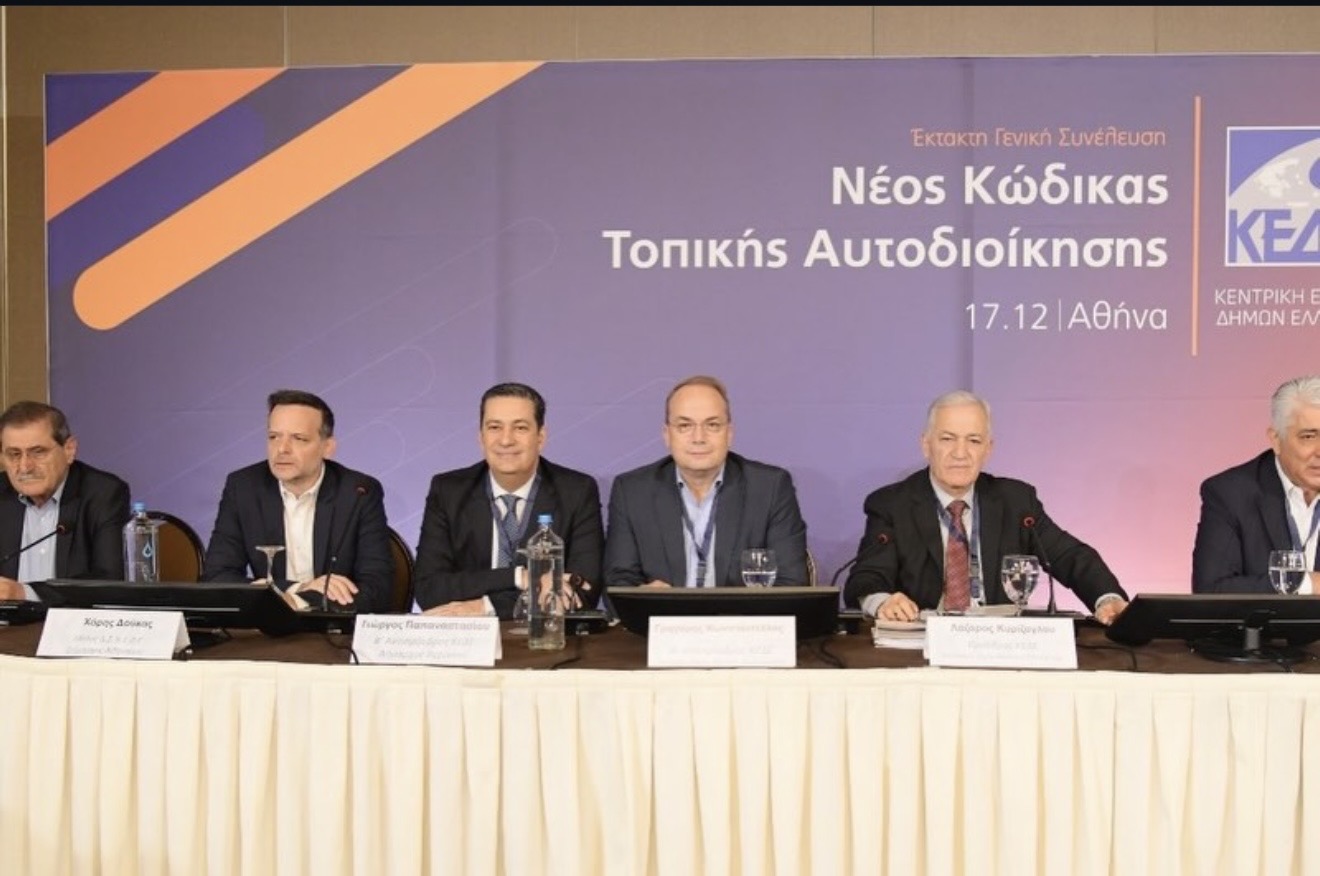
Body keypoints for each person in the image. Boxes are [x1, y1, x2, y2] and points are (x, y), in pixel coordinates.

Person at [844, 389, 1128, 624]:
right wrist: (882, 601)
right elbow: (867, 576)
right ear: (926, 445)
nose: (960, 453)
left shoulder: (1016, 501)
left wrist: (1107, 598)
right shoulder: (892, 504)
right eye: (947, 439)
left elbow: (1071, 556)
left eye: (973, 440)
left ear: (988, 449)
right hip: (922, 644)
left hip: (998, 643)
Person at [412, 382, 604, 618]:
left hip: (541, 634)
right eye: (494, 427)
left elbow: (582, 591)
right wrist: (520, 577)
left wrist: (486, 606)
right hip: (467, 636)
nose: (505, 440)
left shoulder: (576, 491)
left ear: (541, 437)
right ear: (481, 437)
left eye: (520, 428)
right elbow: (429, 589)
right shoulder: (448, 490)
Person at [604, 375, 809, 588]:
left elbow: (790, 581)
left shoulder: (769, 488)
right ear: (667, 435)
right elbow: (619, 581)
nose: (699, 438)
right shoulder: (632, 492)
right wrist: (646, 596)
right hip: (661, 611)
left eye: (712, 425)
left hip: (745, 611)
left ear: (729, 434)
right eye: (685, 425)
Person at [201, 389, 393, 612]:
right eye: (274, 437)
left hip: (332, 624)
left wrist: (300, 601)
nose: (282, 449)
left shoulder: (358, 492)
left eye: (298, 439)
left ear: (327, 448)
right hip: (265, 624)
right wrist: (298, 588)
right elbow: (216, 577)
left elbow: (377, 587)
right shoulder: (243, 487)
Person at [1193, 375, 1320, 594]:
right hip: (1264, 618)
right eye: (1308, 437)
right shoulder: (1230, 494)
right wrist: (1305, 584)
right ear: (1276, 440)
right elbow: (1212, 589)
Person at [0, 401, 132, 600]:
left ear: (69, 449)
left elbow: (109, 579)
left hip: (74, 617)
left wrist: (24, 593)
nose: (25, 467)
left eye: (38, 452)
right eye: (14, 454)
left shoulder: (104, 494)